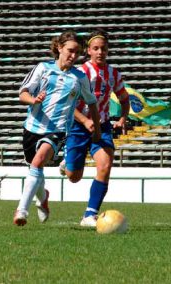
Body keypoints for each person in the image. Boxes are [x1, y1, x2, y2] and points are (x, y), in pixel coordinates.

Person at [14, 30, 101, 226]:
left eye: (77, 53)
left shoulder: (79, 78)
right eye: (70, 51)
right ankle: (43, 196)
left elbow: (92, 102)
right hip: (32, 127)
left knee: (37, 162)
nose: (73, 56)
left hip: (58, 130)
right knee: (35, 168)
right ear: (59, 48)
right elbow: (23, 94)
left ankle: (21, 211)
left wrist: (97, 130)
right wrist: (33, 99)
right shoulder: (42, 68)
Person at [61, 29, 130, 227]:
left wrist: (123, 118)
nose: (100, 52)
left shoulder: (113, 74)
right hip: (78, 125)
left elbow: (124, 99)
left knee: (105, 165)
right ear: (89, 51)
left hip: (103, 125)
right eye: (96, 48)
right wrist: (84, 120)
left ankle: (89, 215)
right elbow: (66, 103)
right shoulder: (79, 72)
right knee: (74, 177)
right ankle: (68, 163)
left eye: (104, 49)